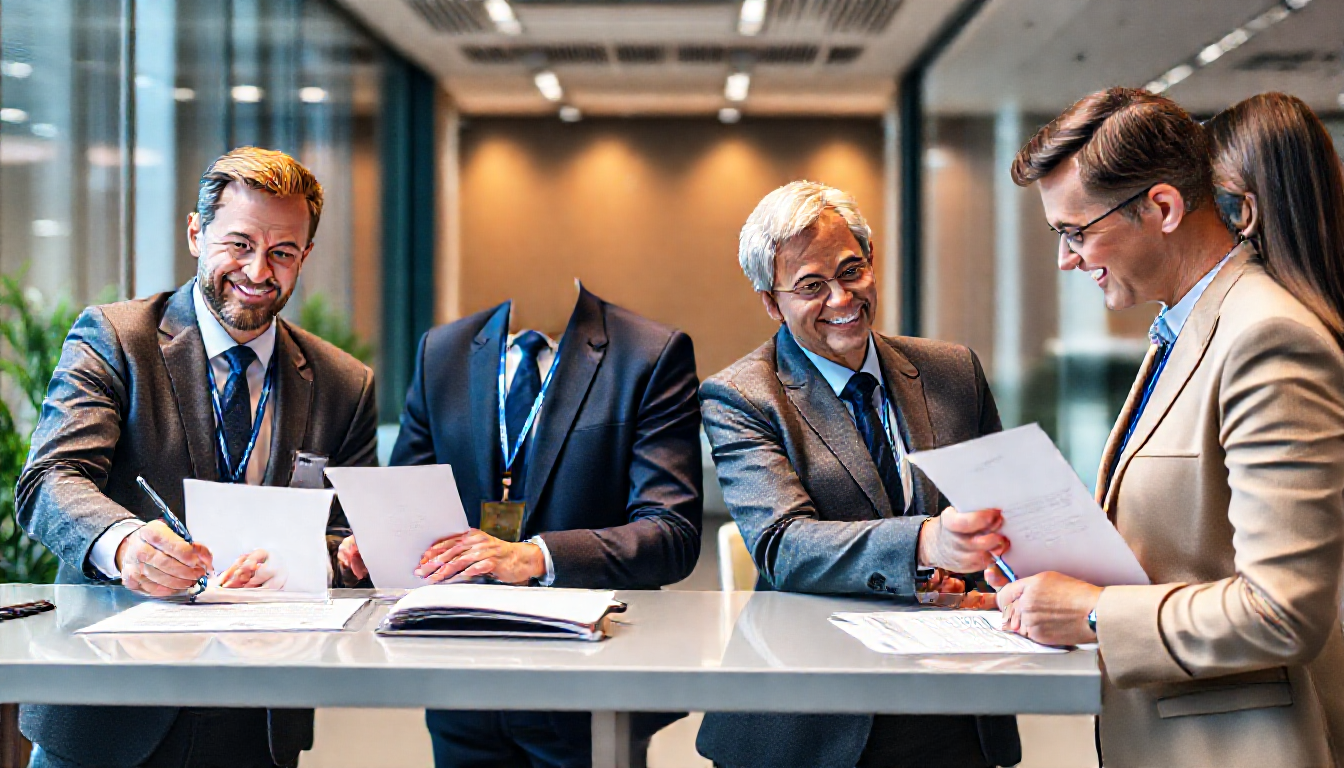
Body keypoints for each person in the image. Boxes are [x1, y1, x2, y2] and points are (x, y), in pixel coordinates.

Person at [997, 87, 1344, 767]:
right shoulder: (1185, 327)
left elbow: (1282, 611)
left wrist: (1095, 613)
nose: (1066, 259)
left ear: (1162, 207)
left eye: (1075, 232)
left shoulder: (1266, 337)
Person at [17, 147, 379, 768]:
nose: (258, 271)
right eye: (238, 244)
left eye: (282, 252)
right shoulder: (115, 338)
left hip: (258, 722)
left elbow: (347, 537)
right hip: (109, 713)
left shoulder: (344, 382)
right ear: (195, 232)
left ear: (305, 256)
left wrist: (334, 558)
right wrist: (125, 544)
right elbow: (51, 478)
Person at [694, 181, 1020, 768]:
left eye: (852, 271)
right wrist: (925, 543)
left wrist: (983, 577)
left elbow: (1006, 511)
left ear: (872, 262)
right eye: (811, 286)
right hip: (811, 714)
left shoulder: (952, 371)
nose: (842, 298)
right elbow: (782, 544)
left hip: (949, 699)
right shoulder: (741, 396)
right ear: (771, 301)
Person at [341, 283, 702, 767]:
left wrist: (534, 556)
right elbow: (409, 500)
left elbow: (671, 534)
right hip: (460, 680)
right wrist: (380, 541)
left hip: (589, 685)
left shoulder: (650, 352)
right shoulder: (442, 350)